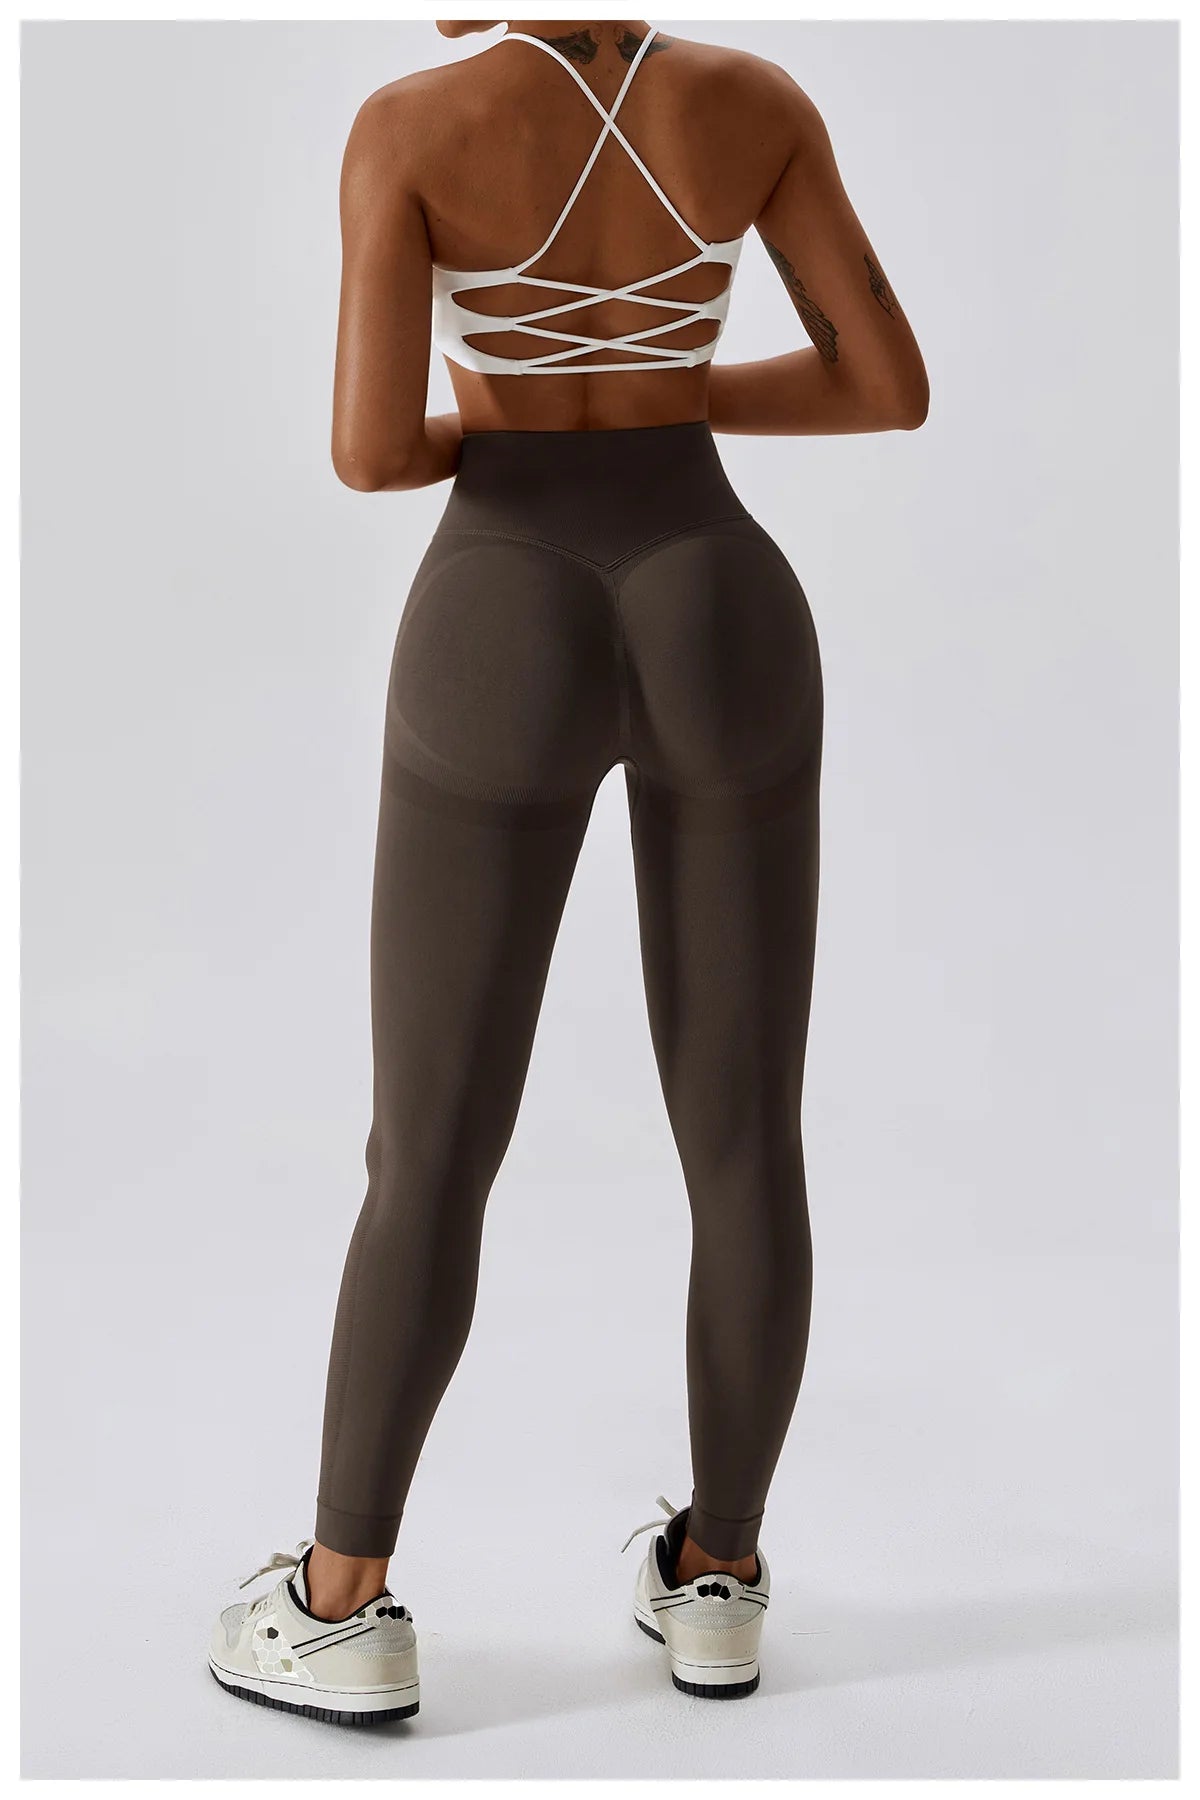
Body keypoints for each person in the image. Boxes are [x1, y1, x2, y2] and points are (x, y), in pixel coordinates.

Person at [208, 16, 928, 1723]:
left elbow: (372, 451)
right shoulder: (750, 101)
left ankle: (339, 1603)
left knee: (430, 1149)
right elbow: (882, 385)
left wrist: (522, 419)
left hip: (501, 602)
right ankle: (721, 1576)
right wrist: (668, 398)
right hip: (717, 588)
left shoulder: (414, 123)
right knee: (745, 1137)